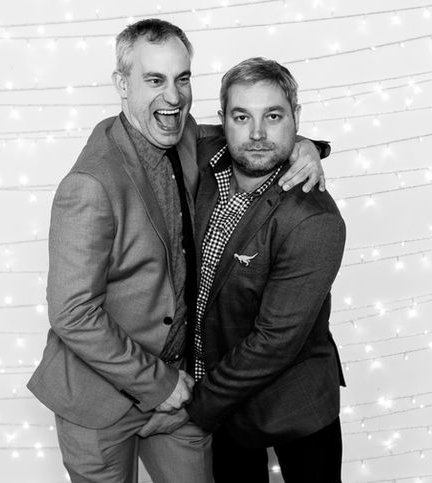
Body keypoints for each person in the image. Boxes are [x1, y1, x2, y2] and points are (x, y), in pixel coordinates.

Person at [27, 19, 326, 483]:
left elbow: (249, 136)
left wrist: (305, 147)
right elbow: (72, 313)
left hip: (178, 392)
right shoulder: (90, 185)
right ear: (122, 85)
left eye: (182, 78)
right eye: (154, 80)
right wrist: (158, 383)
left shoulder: (182, 134)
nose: (173, 96)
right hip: (98, 399)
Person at [138, 57, 346, 482]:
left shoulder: (314, 220)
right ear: (223, 121)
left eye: (274, 116)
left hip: (292, 402)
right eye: (241, 117)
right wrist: (307, 143)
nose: (256, 134)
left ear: (295, 116)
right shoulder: (202, 158)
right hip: (224, 405)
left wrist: (195, 407)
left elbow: (274, 342)